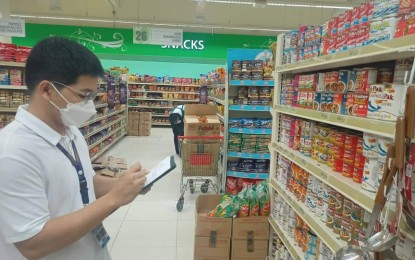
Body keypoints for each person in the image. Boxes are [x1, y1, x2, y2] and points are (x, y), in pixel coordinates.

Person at [0, 37, 149, 260]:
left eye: (93, 96)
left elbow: (84, 181)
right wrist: (114, 198)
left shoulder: (70, 131)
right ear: (47, 90)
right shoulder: (13, 152)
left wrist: (122, 184)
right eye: (83, 95)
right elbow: (31, 244)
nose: (90, 104)